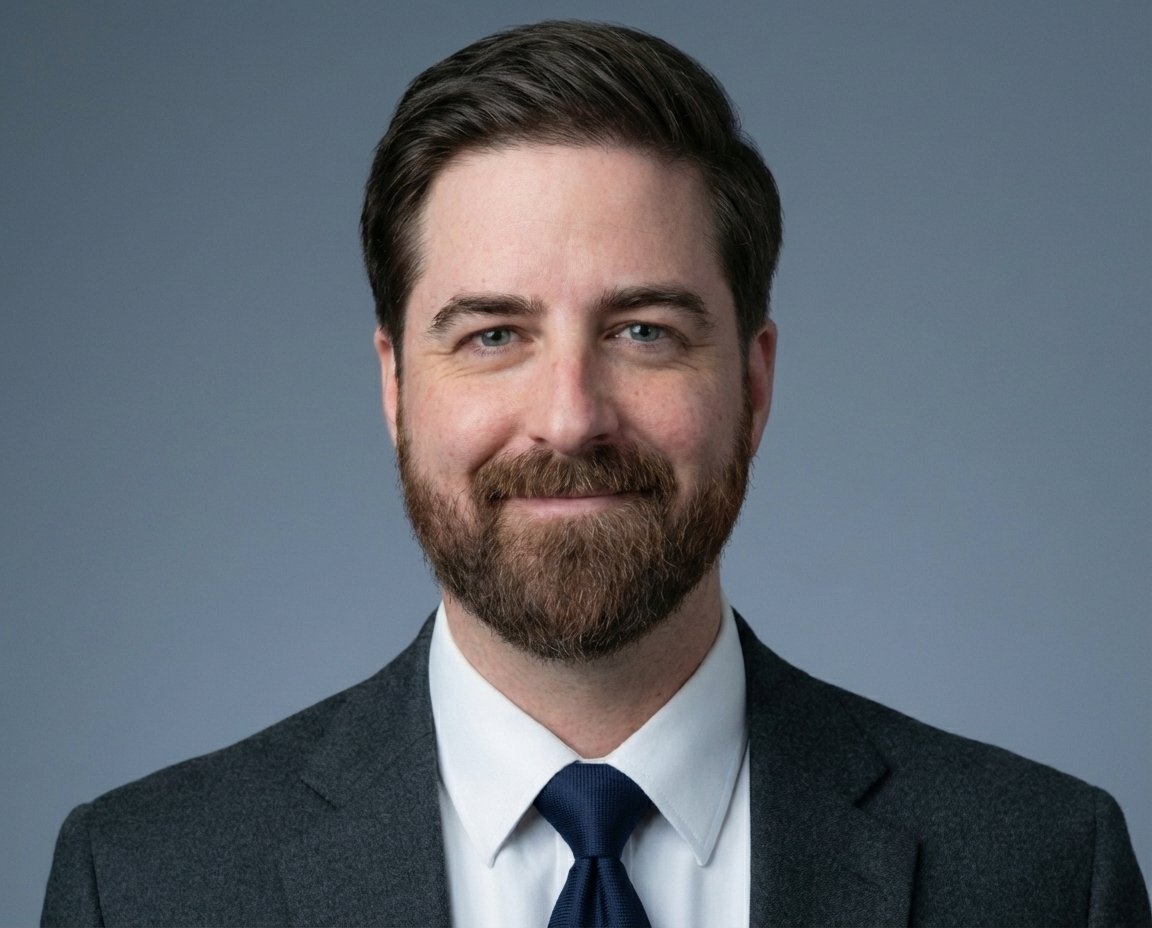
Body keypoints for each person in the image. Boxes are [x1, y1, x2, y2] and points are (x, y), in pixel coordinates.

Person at [42, 20, 1148, 928]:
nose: (570, 419)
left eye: (644, 331)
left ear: (754, 384)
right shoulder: (142, 882)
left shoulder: (1045, 874)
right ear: (394, 388)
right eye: (491, 335)